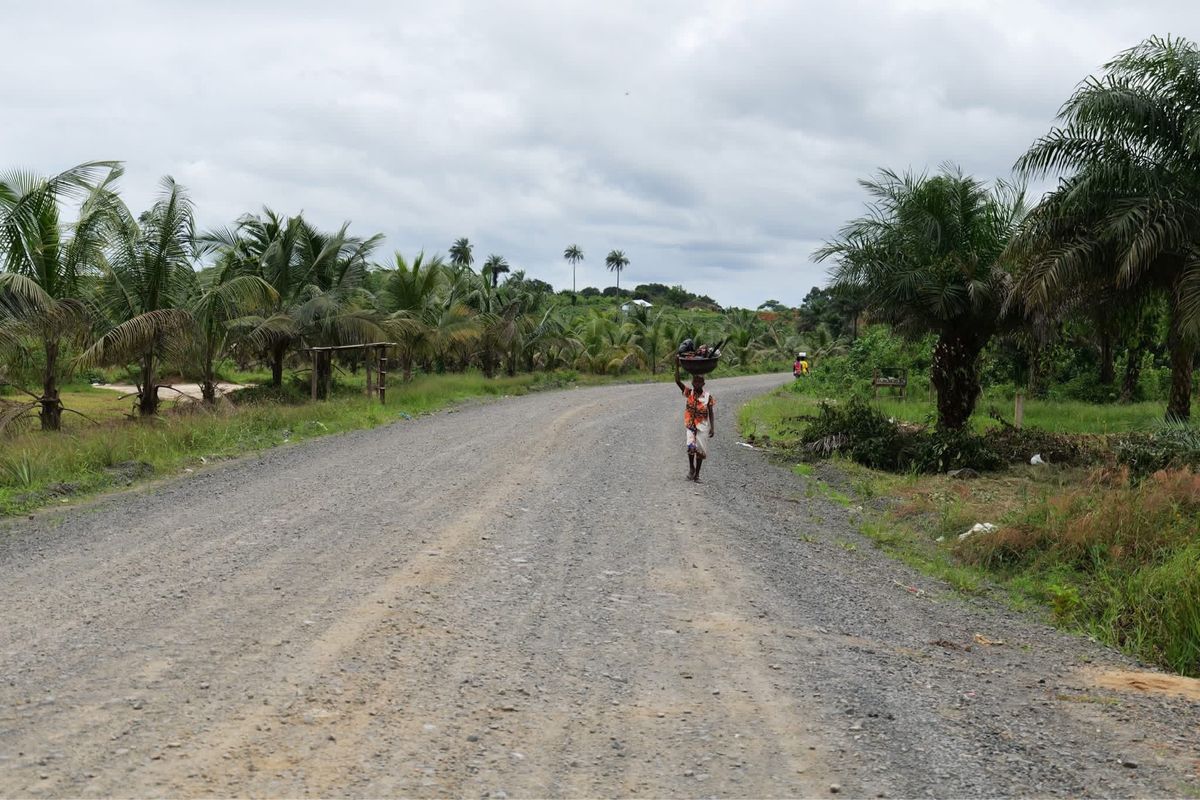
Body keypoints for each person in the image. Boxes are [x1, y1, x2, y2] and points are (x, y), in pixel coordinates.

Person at [674, 356, 715, 482]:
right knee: (691, 447)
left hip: (703, 425)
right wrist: (677, 366)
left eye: (699, 382)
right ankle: (691, 468)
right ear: (692, 383)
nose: (697, 383)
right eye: (695, 381)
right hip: (691, 424)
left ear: (703, 383)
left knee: (701, 450)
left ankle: (697, 474)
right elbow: (677, 381)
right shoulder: (689, 393)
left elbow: (711, 412)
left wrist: (712, 427)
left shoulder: (708, 396)